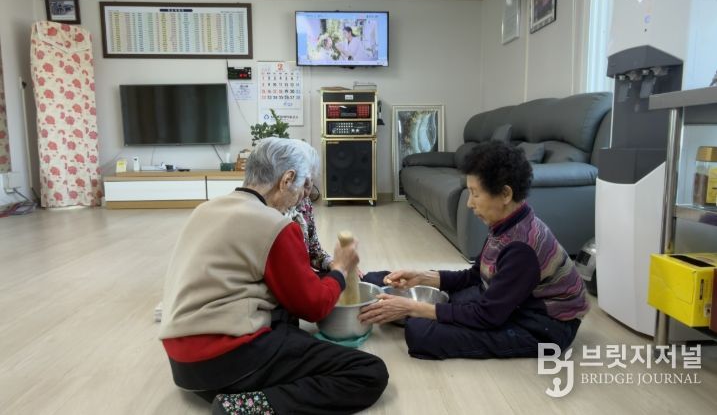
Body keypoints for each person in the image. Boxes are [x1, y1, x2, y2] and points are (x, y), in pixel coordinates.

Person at [159, 138, 388, 414]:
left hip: (184, 367)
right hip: (228, 359)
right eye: (304, 185)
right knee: (369, 371)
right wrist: (340, 267)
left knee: (287, 314)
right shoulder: (274, 225)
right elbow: (314, 307)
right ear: (286, 179)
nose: (304, 196)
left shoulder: (205, 209)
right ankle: (245, 408)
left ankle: (243, 390)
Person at [359, 140, 589, 360]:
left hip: (543, 326)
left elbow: (487, 315)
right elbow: (475, 276)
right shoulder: (506, 224)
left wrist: (413, 308)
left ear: (505, 194)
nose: (469, 203)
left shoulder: (521, 247)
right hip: (511, 302)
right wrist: (421, 277)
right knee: (378, 280)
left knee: (420, 332)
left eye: (475, 193)